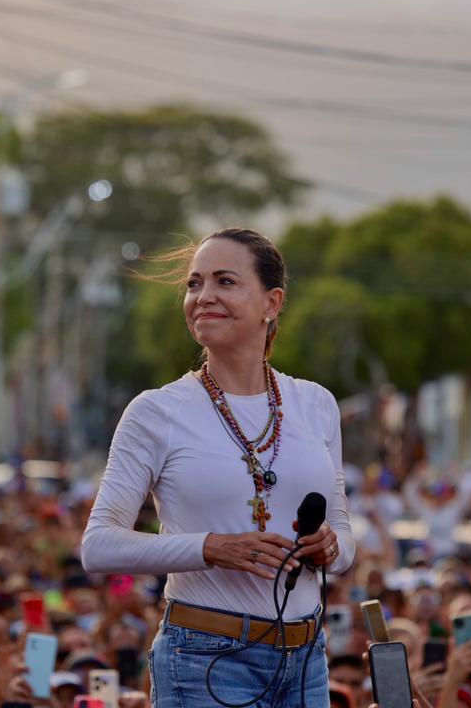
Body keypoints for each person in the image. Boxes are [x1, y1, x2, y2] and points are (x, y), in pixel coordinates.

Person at [82, 228, 355, 707]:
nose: (203, 297)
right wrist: (212, 548)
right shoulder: (156, 412)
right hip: (205, 656)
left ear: (272, 303)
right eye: (193, 284)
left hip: (307, 657)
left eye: (225, 282)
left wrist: (331, 547)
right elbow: (98, 546)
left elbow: (344, 535)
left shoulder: (316, 404)